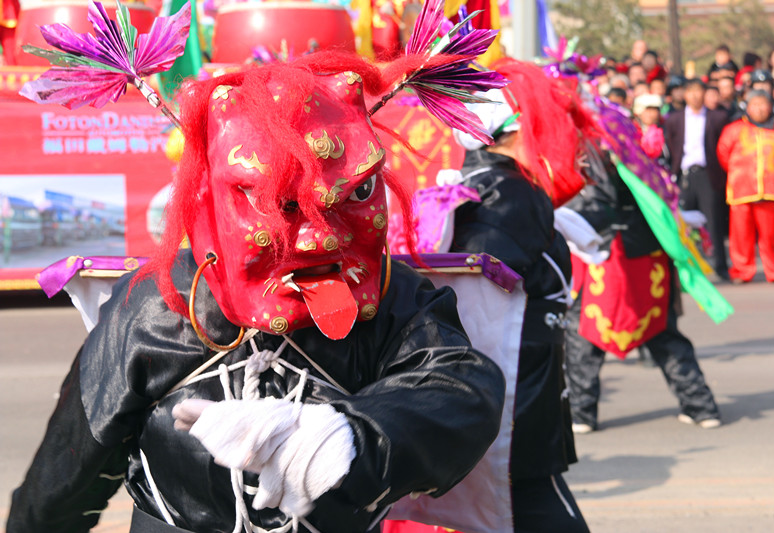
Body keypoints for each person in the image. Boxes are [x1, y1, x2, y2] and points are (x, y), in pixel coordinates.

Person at [7, 56, 507, 532]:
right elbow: (67, 475)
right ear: (206, 203)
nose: (321, 238)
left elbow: (463, 388)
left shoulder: (398, 297)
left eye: (355, 196)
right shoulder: (155, 306)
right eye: (281, 206)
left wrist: (353, 436)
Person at [446, 59, 594, 533]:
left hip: (506, 407)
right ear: (513, 130)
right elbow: (478, 310)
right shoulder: (509, 196)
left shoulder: (484, 189)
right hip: (513, 411)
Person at [565, 143, 722, 434]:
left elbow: (598, 205)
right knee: (661, 330)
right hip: (648, 252)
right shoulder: (637, 154)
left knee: (586, 332)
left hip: (609, 253)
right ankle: (700, 405)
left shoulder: (591, 153)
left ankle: (581, 412)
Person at [717, 89, 774, 283]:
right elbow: (723, 154)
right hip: (740, 189)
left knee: (770, 235)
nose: (760, 109)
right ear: (747, 107)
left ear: (770, 106)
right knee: (741, 235)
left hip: (771, 190)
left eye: (764, 104)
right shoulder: (734, 129)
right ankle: (741, 271)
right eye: (755, 104)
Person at [664, 78, 730, 280]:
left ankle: (720, 266)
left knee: (712, 221)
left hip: (707, 174)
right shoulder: (674, 119)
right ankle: (686, 269)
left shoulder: (717, 117)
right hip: (683, 175)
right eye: (690, 91)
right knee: (682, 222)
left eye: (698, 91)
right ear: (684, 94)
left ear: (705, 93)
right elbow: (670, 145)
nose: (694, 95)